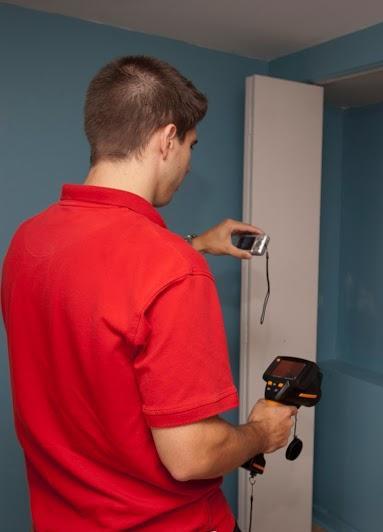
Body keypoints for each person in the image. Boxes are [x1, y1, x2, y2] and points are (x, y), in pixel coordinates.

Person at [1, 56, 296, 531]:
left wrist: (198, 243)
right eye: (190, 146)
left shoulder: (27, 241)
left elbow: (100, 286)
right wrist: (262, 433)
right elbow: (191, 457)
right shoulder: (174, 271)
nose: (188, 163)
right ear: (167, 139)